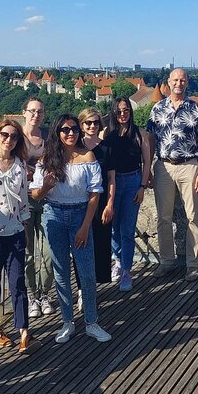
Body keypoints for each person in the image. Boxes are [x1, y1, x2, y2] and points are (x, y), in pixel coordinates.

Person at [30, 114, 112, 343]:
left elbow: (95, 194)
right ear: (57, 132)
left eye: (74, 129)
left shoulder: (88, 156)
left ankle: (91, 322)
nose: (71, 133)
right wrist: (46, 186)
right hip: (53, 214)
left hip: (79, 214)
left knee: (87, 272)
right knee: (61, 272)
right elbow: (35, 195)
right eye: (65, 130)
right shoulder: (47, 159)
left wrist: (85, 226)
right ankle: (67, 322)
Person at [0, 118, 39, 354]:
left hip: (15, 232)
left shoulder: (20, 165)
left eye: (14, 136)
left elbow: (23, 201)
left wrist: (25, 228)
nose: (9, 140)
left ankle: (23, 330)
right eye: (5, 135)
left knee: (17, 281)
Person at [146, 68, 198, 282]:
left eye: (182, 80)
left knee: (193, 216)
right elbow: (150, 139)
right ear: (168, 82)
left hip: (189, 165)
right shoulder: (157, 108)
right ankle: (166, 261)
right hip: (163, 166)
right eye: (175, 80)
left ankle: (193, 265)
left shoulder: (195, 108)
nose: (178, 83)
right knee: (163, 217)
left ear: (186, 83)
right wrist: (148, 168)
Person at [106, 96, 152, 292]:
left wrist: (142, 186)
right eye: (119, 111)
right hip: (114, 182)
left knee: (127, 229)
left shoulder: (139, 133)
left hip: (133, 181)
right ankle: (117, 260)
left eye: (126, 110)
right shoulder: (108, 133)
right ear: (113, 113)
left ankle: (126, 270)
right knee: (113, 227)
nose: (123, 114)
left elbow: (147, 162)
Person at [73, 108, 115, 307]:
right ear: (81, 125)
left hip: (102, 201)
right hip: (80, 201)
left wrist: (110, 204)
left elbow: (112, 178)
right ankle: (82, 288)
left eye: (96, 122)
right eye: (88, 123)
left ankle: (92, 286)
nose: (92, 126)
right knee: (80, 244)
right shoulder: (76, 146)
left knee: (100, 244)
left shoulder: (106, 147)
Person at [21, 97, 55, 318]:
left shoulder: (48, 136)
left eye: (40, 111)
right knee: (28, 252)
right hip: (23, 200)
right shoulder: (16, 136)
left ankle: (45, 293)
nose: (36, 115)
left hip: (47, 197)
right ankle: (32, 295)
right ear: (24, 112)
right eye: (32, 111)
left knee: (49, 251)